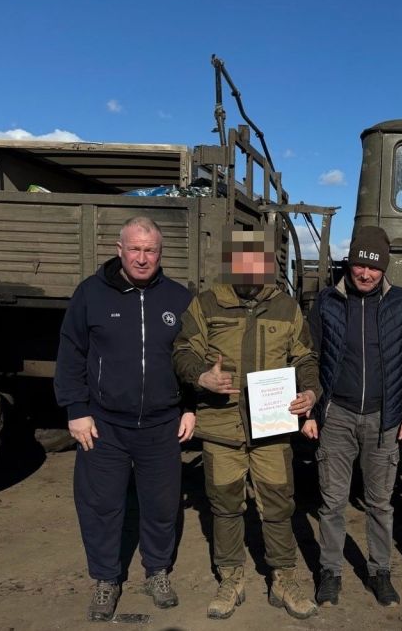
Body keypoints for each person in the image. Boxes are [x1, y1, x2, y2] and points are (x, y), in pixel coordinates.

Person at [172, 227, 320, 621]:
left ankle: (283, 579)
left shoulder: (286, 307)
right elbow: (183, 350)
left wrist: (310, 393)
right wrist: (201, 376)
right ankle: (231, 578)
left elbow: (305, 358)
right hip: (222, 428)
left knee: (278, 504)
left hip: (271, 429)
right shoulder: (206, 305)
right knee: (224, 506)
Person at [54, 216, 194, 621]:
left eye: (150, 250)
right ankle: (105, 578)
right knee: (101, 505)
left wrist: (190, 406)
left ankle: (157, 571)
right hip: (104, 425)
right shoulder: (90, 294)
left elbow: (190, 359)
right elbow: (71, 354)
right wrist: (76, 410)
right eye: (135, 249)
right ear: (120, 250)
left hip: (161, 425)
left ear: (160, 253)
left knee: (162, 505)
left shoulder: (178, 298)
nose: (142, 258)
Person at [302, 225, 402, 607]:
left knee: (380, 504)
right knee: (332, 502)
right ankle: (330, 572)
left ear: (384, 268)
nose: (366, 273)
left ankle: (379, 572)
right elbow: (309, 358)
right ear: (350, 263)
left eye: (374, 267)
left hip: (383, 419)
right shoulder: (327, 302)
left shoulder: (401, 302)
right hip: (336, 416)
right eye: (360, 265)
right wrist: (310, 412)